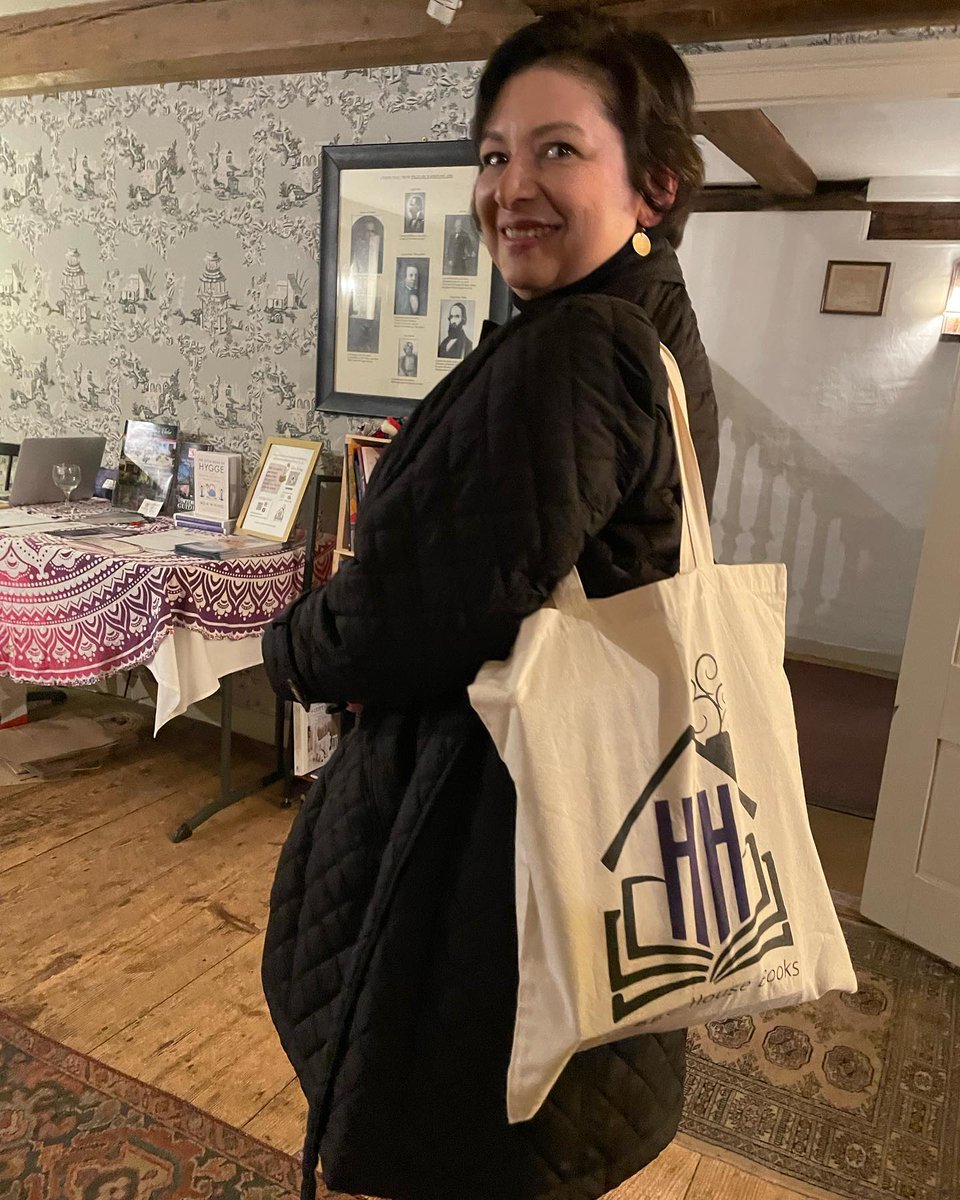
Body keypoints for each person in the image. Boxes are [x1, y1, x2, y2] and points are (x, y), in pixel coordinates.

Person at [261, 10, 717, 1200]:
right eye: (494, 154)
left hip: (480, 842)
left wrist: (293, 642)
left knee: (457, 1139)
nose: (512, 185)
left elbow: (413, 613)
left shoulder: (578, 350)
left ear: (653, 183)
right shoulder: (650, 334)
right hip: (564, 813)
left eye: (558, 150)